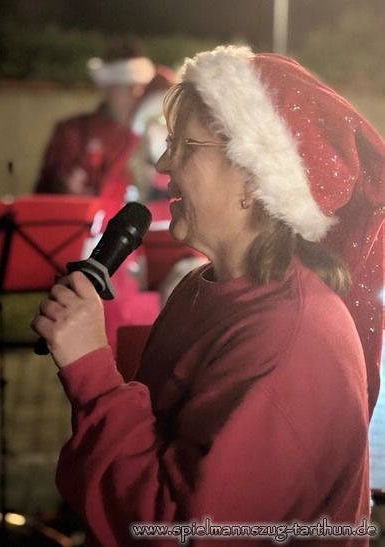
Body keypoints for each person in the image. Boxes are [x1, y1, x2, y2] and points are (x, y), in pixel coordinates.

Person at [32, 46, 385, 546]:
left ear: (252, 178)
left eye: (185, 145)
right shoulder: (203, 286)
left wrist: (92, 372)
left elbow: (179, 530)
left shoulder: (288, 337)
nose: (163, 162)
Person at [34, 37, 174, 212]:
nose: (136, 94)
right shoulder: (71, 132)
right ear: (107, 86)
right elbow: (44, 197)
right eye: (127, 86)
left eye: (141, 87)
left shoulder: (146, 136)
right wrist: (65, 192)